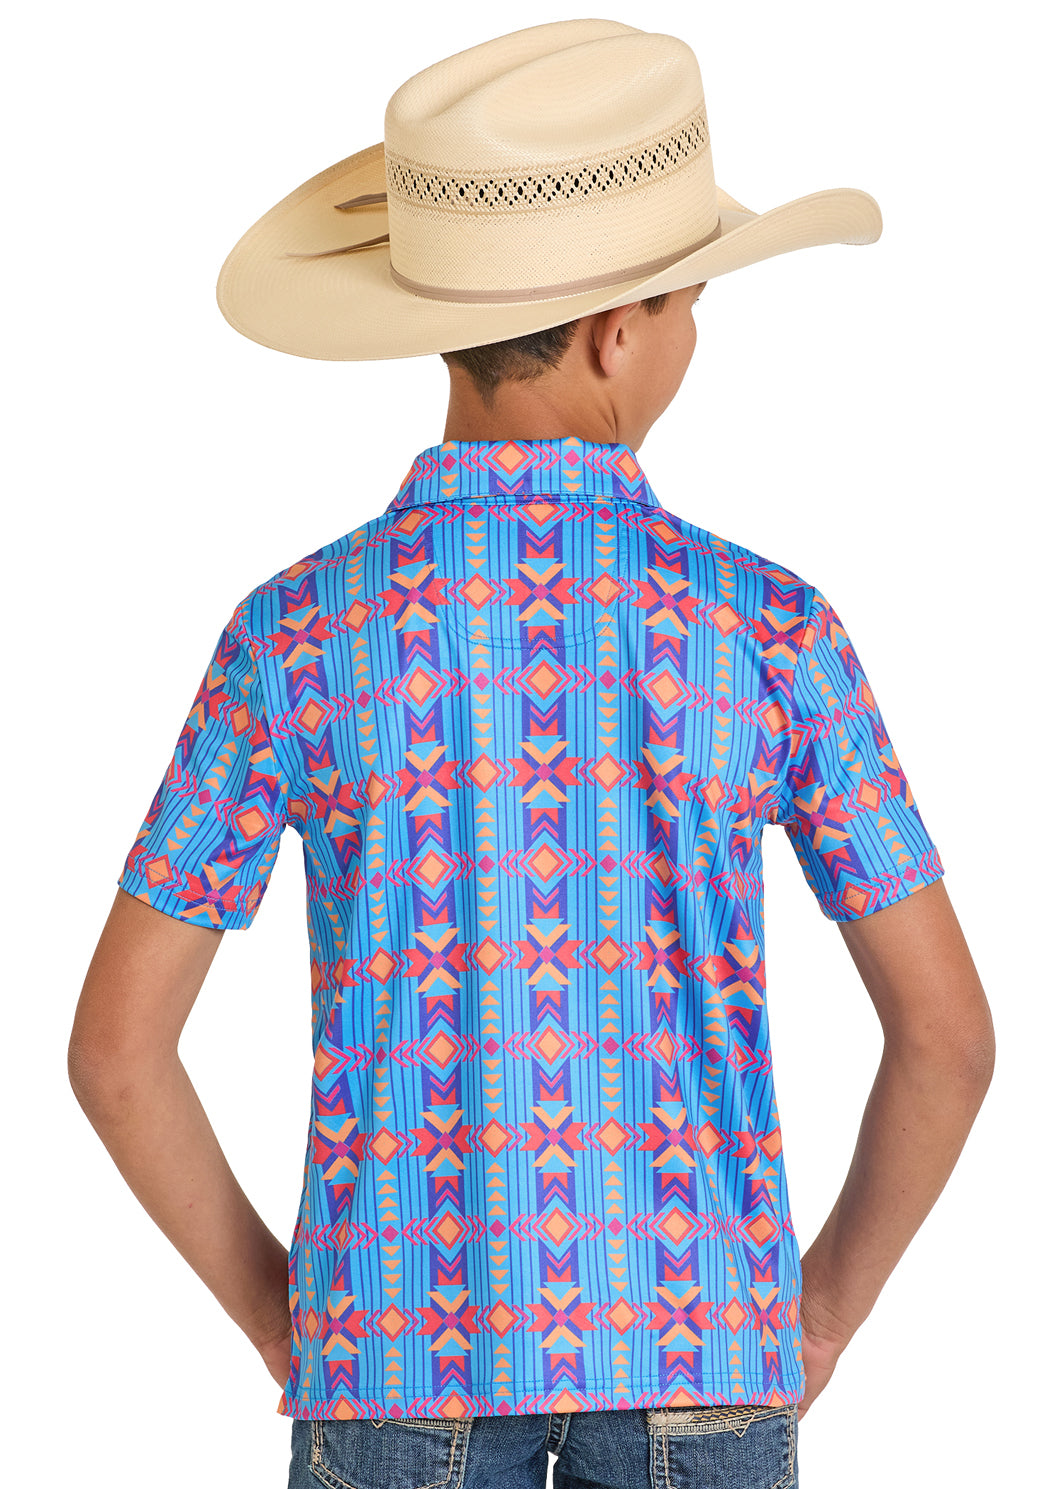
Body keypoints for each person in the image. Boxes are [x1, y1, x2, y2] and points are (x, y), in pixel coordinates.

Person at [67, 19, 995, 1489]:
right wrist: (814, 1317)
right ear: (620, 329)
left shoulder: (294, 633)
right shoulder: (772, 631)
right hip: (704, 1358)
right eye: (694, 303)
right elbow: (947, 1038)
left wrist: (295, 1322)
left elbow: (117, 1048)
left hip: (397, 1369)